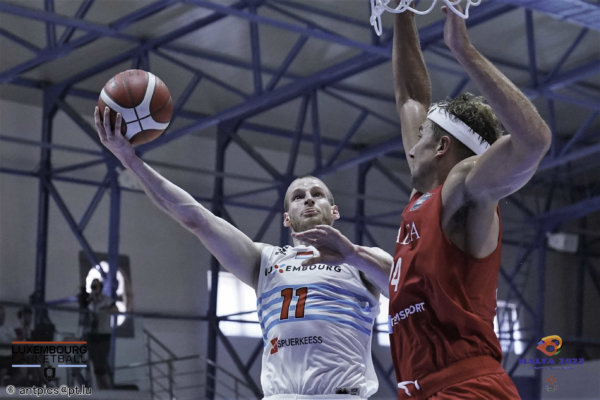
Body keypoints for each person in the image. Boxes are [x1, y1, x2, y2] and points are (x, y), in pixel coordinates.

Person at [295, 3, 552, 400]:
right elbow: (410, 98)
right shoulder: (424, 197)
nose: (410, 148)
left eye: (421, 138)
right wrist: (404, 12)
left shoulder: (465, 187)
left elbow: (534, 141)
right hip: (423, 390)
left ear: (442, 147)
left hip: (468, 388)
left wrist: (463, 49)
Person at [93, 106, 393, 399]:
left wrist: (352, 254)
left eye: (318, 194)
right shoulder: (265, 259)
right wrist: (129, 160)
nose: (309, 199)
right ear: (286, 218)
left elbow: (404, 287)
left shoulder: (363, 259)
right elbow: (196, 219)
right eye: (298, 197)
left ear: (335, 210)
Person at [80, 279, 117, 389]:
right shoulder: (90, 301)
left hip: (104, 333)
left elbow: (115, 309)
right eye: (92, 286)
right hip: (92, 334)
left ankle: (106, 387)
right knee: (94, 363)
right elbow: (84, 311)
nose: (94, 289)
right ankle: (98, 387)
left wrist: (104, 309)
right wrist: (89, 299)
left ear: (100, 287)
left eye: (96, 286)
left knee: (101, 363)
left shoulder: (106, 299)